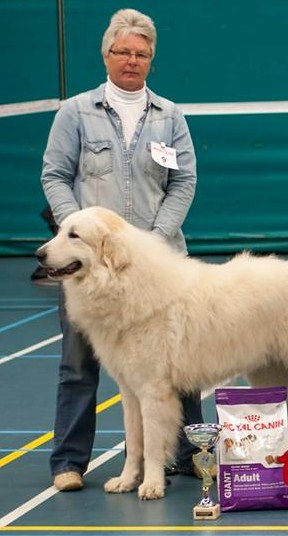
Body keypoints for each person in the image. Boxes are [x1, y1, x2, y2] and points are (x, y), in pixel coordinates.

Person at [41, 8, 204, 491]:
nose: (132, 61)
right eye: (123, 52)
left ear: (151, 59)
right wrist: (78, 229)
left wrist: (151, 242)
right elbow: (54, 175)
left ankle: (188, 454)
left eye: (142, 54)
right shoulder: (75, 112)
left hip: (161, 266)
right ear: (106, 54)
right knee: (79, 363)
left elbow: (185, 180)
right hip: (89, 267)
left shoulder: (170, 115)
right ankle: (70, 461)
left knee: (182, 363)